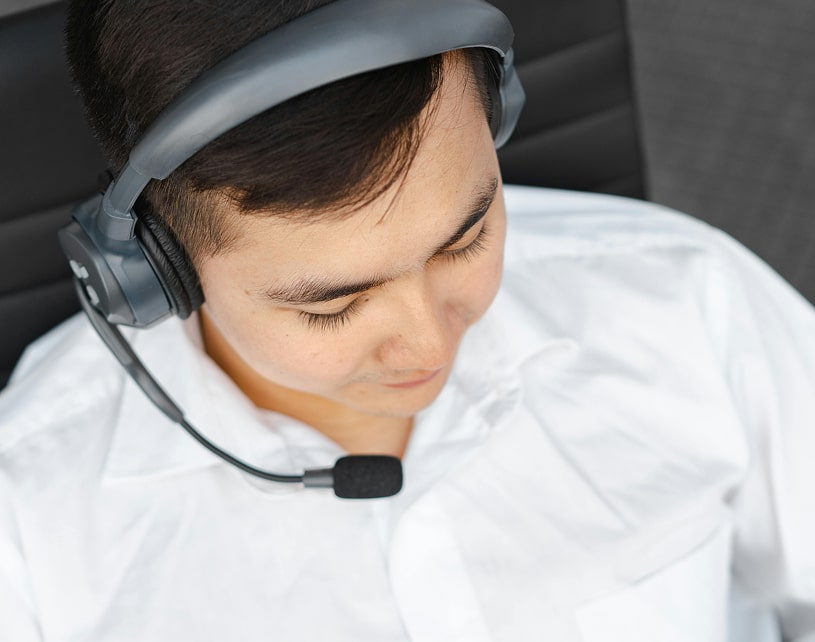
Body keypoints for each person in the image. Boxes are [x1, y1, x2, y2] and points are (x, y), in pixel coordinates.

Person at [1, 0, 814, 640]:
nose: (429, 342)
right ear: (151, 272)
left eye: (466, 237)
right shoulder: (29, 524)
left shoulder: (685, 299)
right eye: (335, 303)